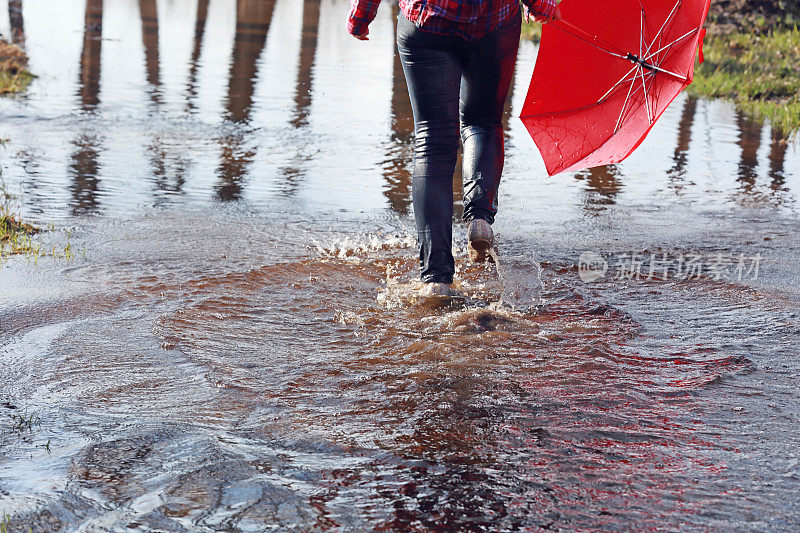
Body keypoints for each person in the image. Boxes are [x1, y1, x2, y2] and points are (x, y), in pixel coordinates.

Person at [347, 0, 560, 296]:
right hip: (494, 23)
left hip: (428, 19)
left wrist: (362, 14)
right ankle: (481, 218)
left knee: (433, 140)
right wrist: (540, 5)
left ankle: (436, 278)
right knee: (483, 122)